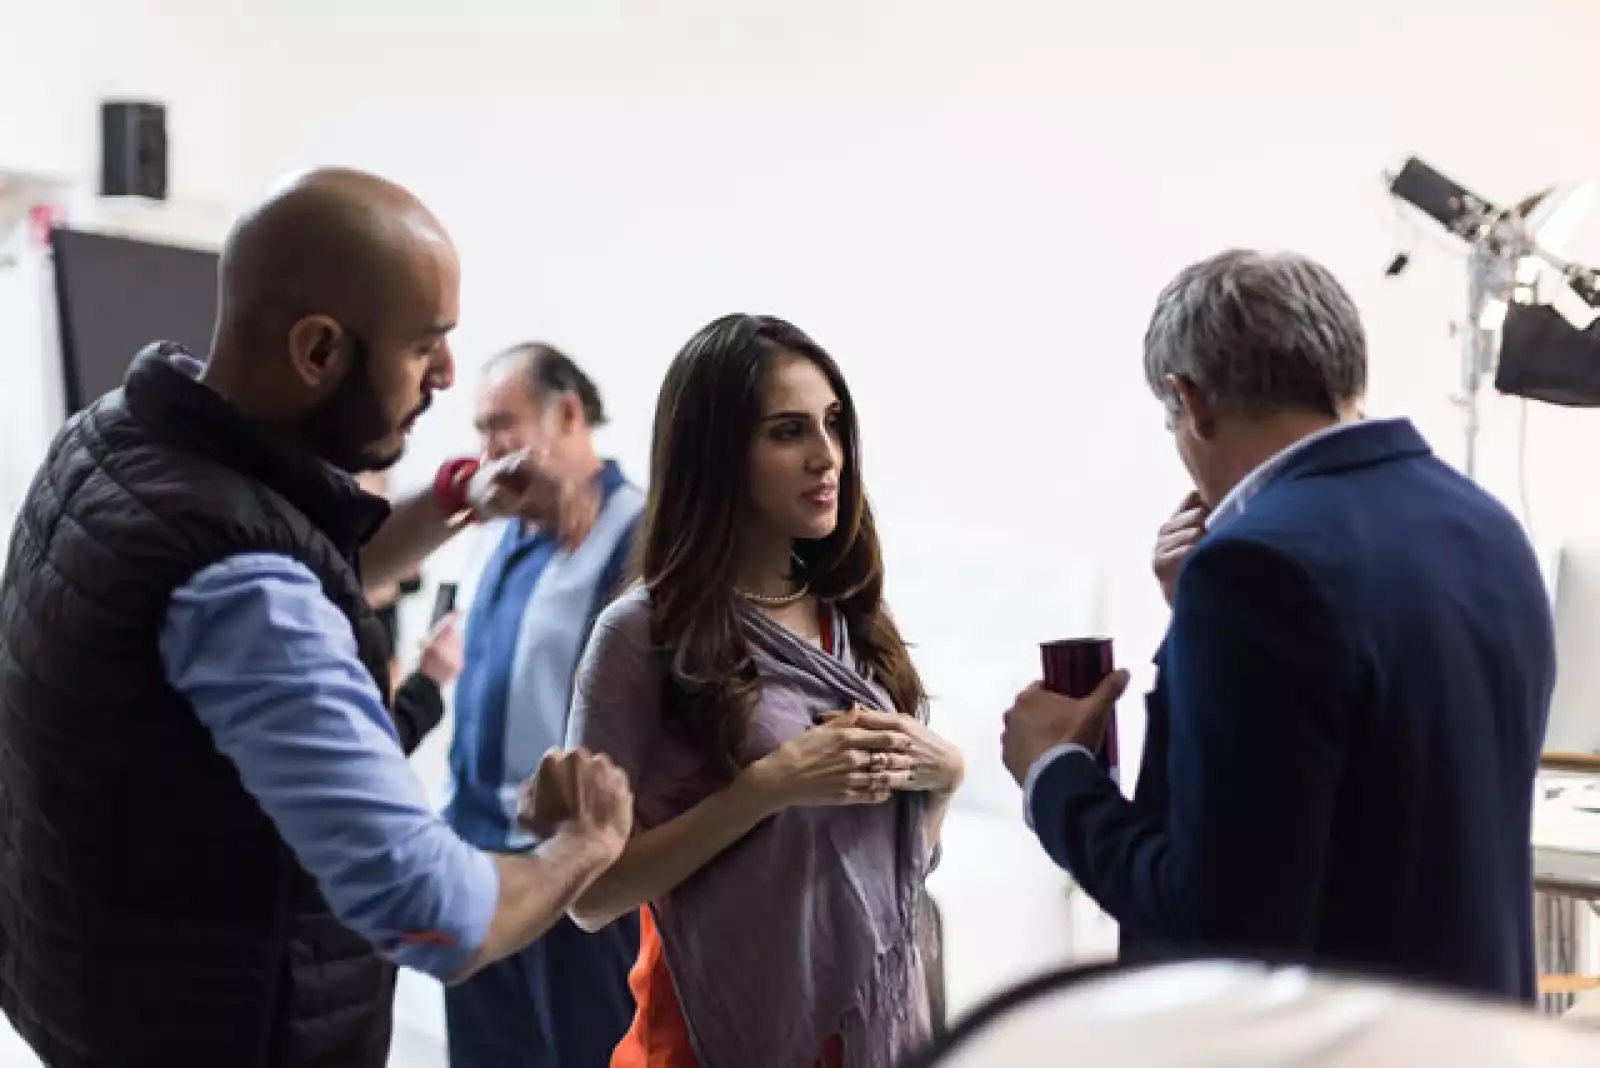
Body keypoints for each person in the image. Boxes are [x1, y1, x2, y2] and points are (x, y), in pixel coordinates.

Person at [0, 167, 633, 1068]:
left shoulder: (112, 442)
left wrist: (459, 500)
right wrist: (583, 844)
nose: (446, 377)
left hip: (96, 1004)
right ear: (318, 352)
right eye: (425, 348)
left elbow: (309, 567)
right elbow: (435, 913)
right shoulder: (239, 582)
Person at [1000, 249, 1556, 1002]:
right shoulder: (1486, 525)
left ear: (1190, 401)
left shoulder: (1252, 574)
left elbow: (1216, 922)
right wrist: (1193, 617)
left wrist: (1053, 776)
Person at [566, 313, 966, 1068]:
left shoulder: (854, 614)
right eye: (788, 432)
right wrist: (766, 788)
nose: (827, 457)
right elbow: (589, 896)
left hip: (868, 1037)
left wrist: (941, 783)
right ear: (718, 455)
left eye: (834, 425)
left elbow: (880, 870)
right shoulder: (641, 634)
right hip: (703, 1042)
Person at [443, 343, 643, 1068]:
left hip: (571, 876)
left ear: (566, 414)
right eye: (480, 429)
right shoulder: (494, 531)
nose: (489, 449)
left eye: (503, 424)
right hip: (474, 859)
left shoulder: (637, 535)